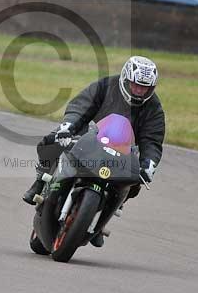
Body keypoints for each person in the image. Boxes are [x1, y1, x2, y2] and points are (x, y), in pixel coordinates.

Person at [22, 56, 166, 246]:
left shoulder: (153, 107)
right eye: (135, 85)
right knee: (51, 141)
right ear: (125, 79)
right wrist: (68, 126)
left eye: (144, 87)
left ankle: (100, 219)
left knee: (135, 182)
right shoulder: (105, 86)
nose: (139, 90)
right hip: (89, 136)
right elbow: (80, 106)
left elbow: (152, 140)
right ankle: (40, 181)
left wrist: (148, 164)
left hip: (121, 150)